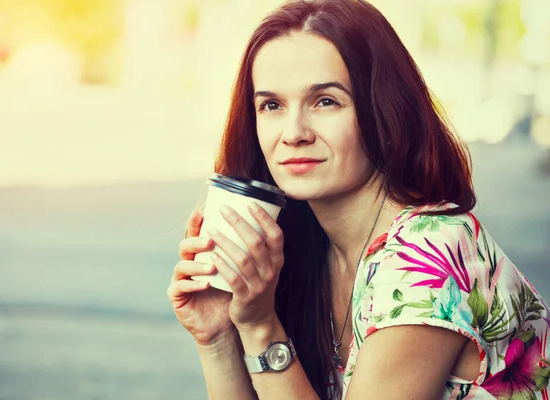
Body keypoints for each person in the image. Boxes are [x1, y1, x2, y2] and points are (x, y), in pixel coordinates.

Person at [166, 0, 550, 398]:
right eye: (272, 105)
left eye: (325, 101)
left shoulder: (427, 254)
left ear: (382, 110)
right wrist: (218, 338)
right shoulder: (305, 247)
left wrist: (262, 328)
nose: (294, 132)